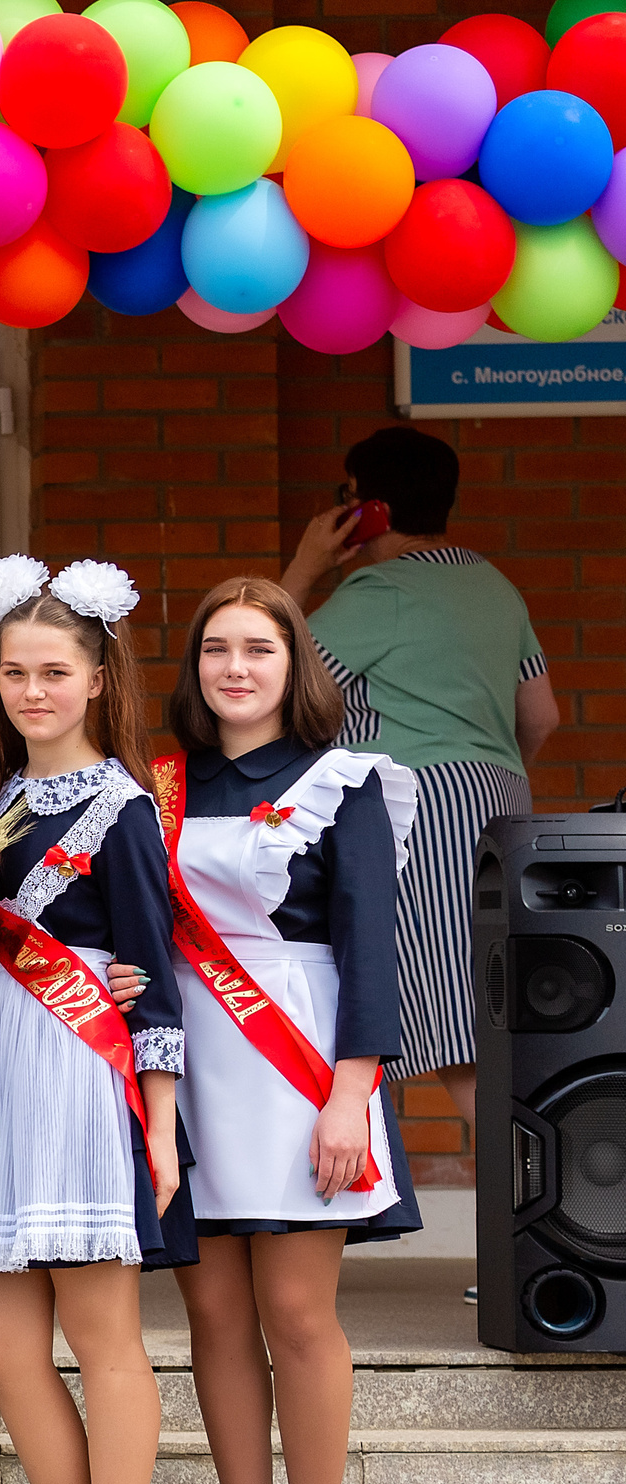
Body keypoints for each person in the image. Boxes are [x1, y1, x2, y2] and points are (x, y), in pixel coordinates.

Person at [119, 578, 418, 1484]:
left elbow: (374, 949)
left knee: (295, 1317)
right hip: (187, 1068)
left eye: (258, 648)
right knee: (210, 1321)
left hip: (298, 1065)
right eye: (214, 649)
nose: (234, 668)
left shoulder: (346, 781)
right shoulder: (154, 786)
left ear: (296, 665)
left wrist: (352, 1096)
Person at [0, 557, 187, 1484]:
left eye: (52, 672)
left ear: (95, 680)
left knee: (103, 1334)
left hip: (79, 1075)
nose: (30, 691)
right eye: (12, 672)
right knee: (0, 1339)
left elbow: (157, 974)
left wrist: (162, 1128)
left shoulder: (121, 809)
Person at [281, 426, 556, 1135]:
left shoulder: (381, 590)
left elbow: (265, 679)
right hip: (504, 804)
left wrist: (305, 568)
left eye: (345, 495)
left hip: (420, 811)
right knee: (491, 1016)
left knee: (460, 1036)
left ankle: (523, 1218)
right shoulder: (495, 586)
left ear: (369, 508)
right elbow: (543, 717)